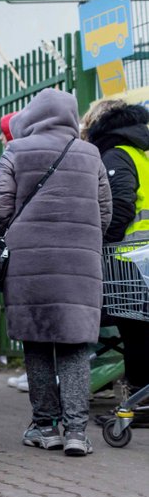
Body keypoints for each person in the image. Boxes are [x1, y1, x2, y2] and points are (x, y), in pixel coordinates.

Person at [0, 88, 111, 457]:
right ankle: (76, 432)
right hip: (79, 265)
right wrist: (84, 238)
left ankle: (44, 427)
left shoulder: (17, 150)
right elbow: (105, 211)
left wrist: (15, 234)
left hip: (29, 264)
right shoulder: (91, 155)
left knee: (37, 344)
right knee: (74, 347)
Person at [81, 101, 149, 418]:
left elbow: (120, 205)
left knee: (135, 333)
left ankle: (139, 403)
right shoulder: (138, 152)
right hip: (141, 256)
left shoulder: (116, 155)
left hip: (130, 258)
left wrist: (103, 241)